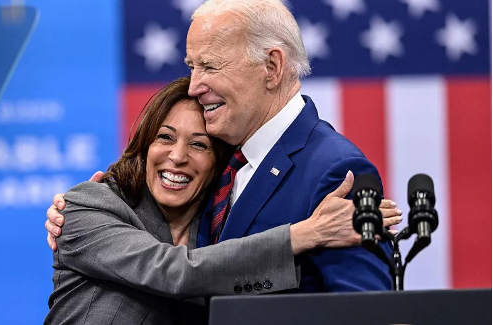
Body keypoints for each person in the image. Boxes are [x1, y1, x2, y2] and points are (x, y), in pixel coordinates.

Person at [48, 0, 403, 293]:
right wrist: (91, 208)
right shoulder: (222, 163)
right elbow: (178, 263)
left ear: (272, 66)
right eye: (192, 66)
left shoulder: (334, 170)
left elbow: (365, 311)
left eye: (210, 66)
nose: (194, 86)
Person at [44, 76, 401, 325]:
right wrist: (307, 234)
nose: (177, 156)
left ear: (219, 164)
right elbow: (175, 271)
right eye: (164, 138)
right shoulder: (87, 206)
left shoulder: (215, 225)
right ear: (144, 146)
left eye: (199, 145)